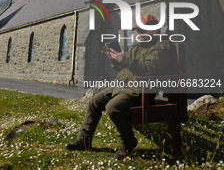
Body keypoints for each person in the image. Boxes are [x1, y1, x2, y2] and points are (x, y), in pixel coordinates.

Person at [65, 14, 175, 159]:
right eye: (138, 30)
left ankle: (128, 143)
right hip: (123, 86)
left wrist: (124, 59)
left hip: (140, 90)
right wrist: (115, 60)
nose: (139, 34)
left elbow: (150, 69)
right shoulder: (138, 47)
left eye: (142, 30)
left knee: (113, 108)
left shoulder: (163, 46)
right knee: (94, 102)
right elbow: (126, 68)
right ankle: (84, 140)